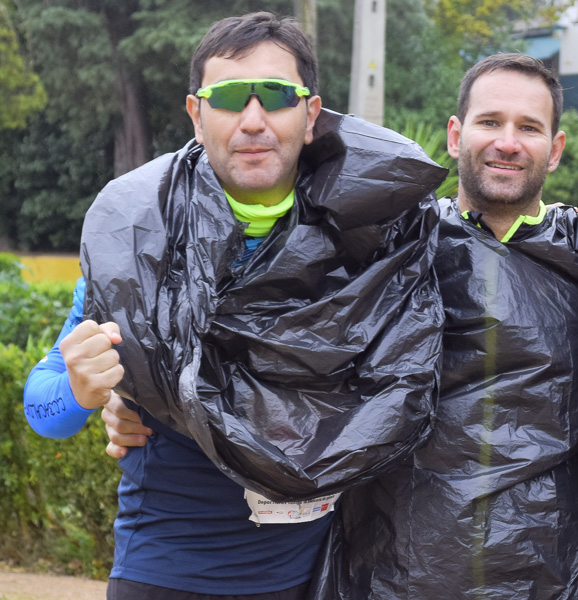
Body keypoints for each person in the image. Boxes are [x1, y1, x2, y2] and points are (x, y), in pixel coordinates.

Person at [104, 53, 578, 599]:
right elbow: (262, 343)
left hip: (549, 579)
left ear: (555, 149)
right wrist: (140, 393)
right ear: (454, 134)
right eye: (490, 122)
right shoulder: (374, 249)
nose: (507, 142)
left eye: (529, 127)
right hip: (391, 578)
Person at [24, 12, 444, 600]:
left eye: (276, 96)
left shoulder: (375, 242)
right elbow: (41, 410)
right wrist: (81, 391)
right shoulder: (138, 243)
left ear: (311, 113)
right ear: (196, 114)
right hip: (166, 573)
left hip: (312, 576)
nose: (252, 121)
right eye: (227, 99)